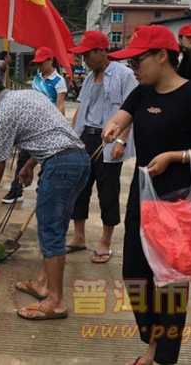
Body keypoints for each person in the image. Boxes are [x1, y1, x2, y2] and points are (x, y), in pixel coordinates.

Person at [100, 25, 191, 365]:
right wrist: (113, 128)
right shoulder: (142, 92)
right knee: (135, 274)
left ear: (162, 56)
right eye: (130, 63)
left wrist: (177, 156)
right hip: (143, 196)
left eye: (137, 61)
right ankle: (153, 340)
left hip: (179, 200)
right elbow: (121, 117)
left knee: (171, 281)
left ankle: (161, 356)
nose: (133, 68)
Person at [0, 73, 90, 321]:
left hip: (60, 167)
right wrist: (29, 165)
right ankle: (43, 284)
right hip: (79, 160)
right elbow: (50, 133)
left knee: (51, 231)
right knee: (56, 227)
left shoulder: (2, 116)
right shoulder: (30, 95)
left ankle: (55, 301)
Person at [63, 31, 137, 263]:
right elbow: (81, 108)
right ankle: (79, 236)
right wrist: (73, 137)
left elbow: (131, 109)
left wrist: (121, 141)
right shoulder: (89, 77)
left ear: (102, 51)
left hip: (110, 140)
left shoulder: (124, 75)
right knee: (80, 188)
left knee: (108, 191)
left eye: (87, 54)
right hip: (86, 136)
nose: (84, 59)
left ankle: (105, 241)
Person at [3, 46, 68, 204]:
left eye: (41, 62)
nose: (39, 66)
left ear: (50, 61)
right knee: (23, 158)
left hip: (48, 126)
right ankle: (16, 190)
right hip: (32, 125)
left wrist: (58, 125)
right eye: (37, 63)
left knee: (46, 161)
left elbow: (60, 105)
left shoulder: (58, 81)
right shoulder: (37, 78)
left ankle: (43, 193)